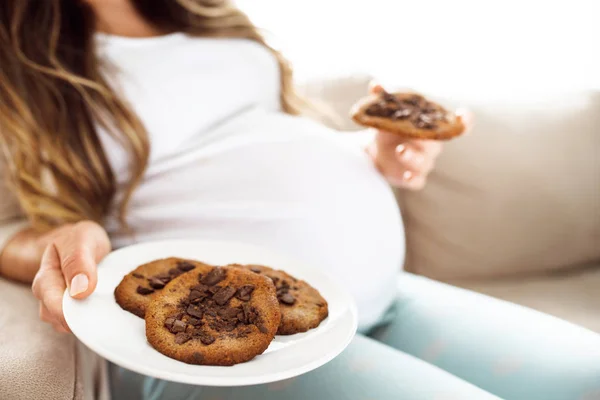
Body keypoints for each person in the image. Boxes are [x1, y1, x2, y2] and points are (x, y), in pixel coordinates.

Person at [0, 1, 598, 399]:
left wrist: (370, 151)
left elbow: (257, 136)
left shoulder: (203, 12)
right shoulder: (17, 70)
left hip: (376, 298)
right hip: (227, 345)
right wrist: (58, 244)